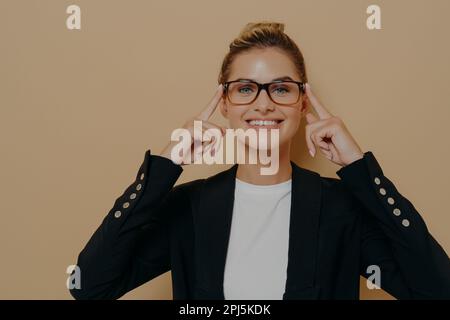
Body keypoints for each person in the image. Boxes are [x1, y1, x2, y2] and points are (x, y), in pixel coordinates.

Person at [69, 22, 450, 300]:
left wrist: (360, 170)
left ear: (302, 103)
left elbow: (436, 289)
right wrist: (168, 162)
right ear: (225, 103)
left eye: (281, 88)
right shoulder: (190, 207)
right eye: (246, 89)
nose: (264, 103)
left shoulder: (342, 209)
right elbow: (87, 285)